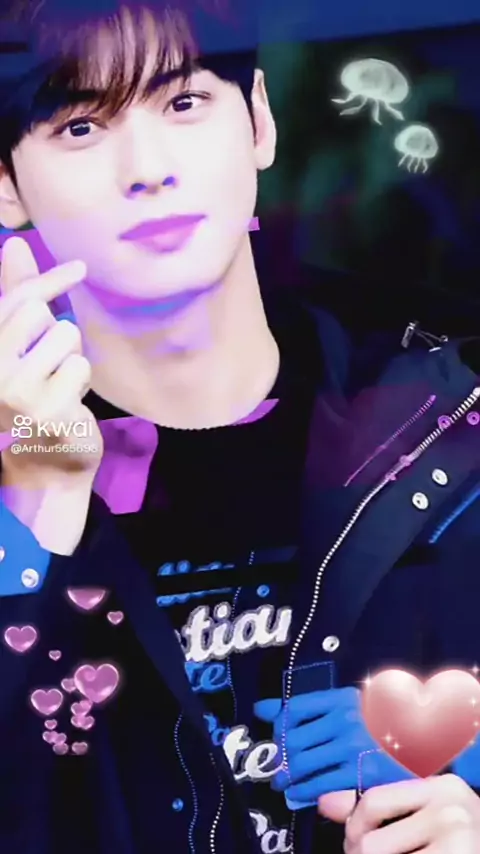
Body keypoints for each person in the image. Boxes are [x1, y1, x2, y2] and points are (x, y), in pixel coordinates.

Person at [0, 1, 480, 854]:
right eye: (80, 127)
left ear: (257, 120)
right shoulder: (27, 470)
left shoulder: (450, 424)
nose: (148, 170)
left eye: (184, 102)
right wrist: (34, 507)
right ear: (7, 184)